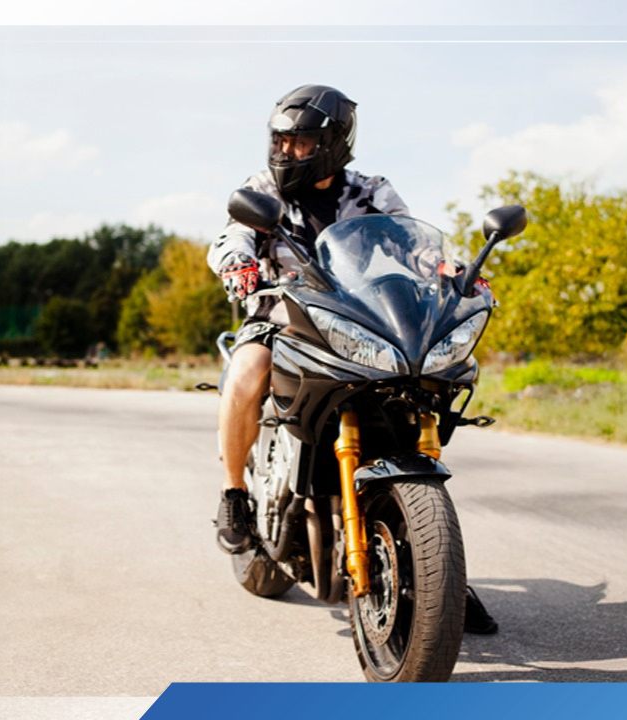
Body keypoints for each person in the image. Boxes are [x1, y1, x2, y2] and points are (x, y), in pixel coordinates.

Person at [207, 84, 498, 635]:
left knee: (413, 391)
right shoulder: (263, 189)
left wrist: (449, 269)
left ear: (334, 144)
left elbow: (415, 245)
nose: (288, 152)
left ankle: (439, 569)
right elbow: (231, 239)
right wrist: (238, 267)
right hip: (282, 313)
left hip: (355, 318)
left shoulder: (370, 191)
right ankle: (235, 496)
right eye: (281, 141)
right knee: (246, 372)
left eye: (301, 142)